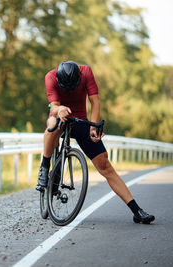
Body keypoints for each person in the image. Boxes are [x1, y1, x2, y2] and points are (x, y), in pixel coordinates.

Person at [35, 61, 155, 224]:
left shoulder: (86, 72)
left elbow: (95, 101)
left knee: (105, 165)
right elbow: (54, 106)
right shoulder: (50, 77)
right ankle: (45, 165)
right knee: (51, 125)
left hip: (81, 121)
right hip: (60, 117)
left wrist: (93, 126)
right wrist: (60, 109)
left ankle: (137, 210)